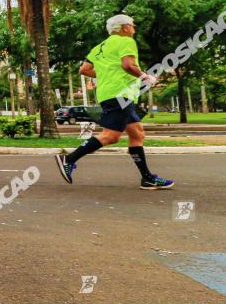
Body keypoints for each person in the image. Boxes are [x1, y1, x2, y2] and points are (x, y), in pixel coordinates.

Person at [55, 14, 174, 190]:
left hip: (111, 94)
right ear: (123, 27)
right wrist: (144, 76)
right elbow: (128, 65)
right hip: (120, 95)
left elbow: (84, 69)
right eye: (132, 25)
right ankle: (69, 159)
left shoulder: (99, 47)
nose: (134, 29)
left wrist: (105, 75)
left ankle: (147, 178)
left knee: (137, 134)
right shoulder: (126, 41)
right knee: (111, 136)